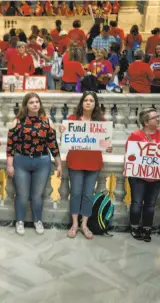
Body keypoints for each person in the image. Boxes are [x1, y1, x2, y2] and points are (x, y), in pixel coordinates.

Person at [59, 92, 113, 239]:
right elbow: (64, 140)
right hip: (75, 161)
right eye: (86, 100)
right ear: (81, 103)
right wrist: (62, 132)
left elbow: (107, 144)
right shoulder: (72, 120)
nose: (88, 103)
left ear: (95, 104)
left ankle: (85, 224)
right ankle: (75, 223)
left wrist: (108, 147)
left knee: (88, 194)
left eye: (91, 100)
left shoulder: (102, 122)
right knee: (75, 193)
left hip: (93, 162)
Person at [7, 93, 62, 236]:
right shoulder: (18, 122)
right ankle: (20, 221)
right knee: (22, 195)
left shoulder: (46, 122)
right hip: (21, 161)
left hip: (42, 161)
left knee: (37, 195)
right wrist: (9, 164)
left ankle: (38, 220)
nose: (35, 104)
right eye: (31, 102)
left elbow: (52, 144)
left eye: (37, 102)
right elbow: (11, 145)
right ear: (26, 105)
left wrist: (59, 163)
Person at [126, 108, 160, 242]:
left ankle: (147, 228)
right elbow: (130, 155)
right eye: (155, 117)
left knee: (151, 204)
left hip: (156, 176)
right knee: (137, 202)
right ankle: (134, 227)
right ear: (146, 122)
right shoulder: (135, 136)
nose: (158, 119)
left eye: (158, 116)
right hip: (138, 176)